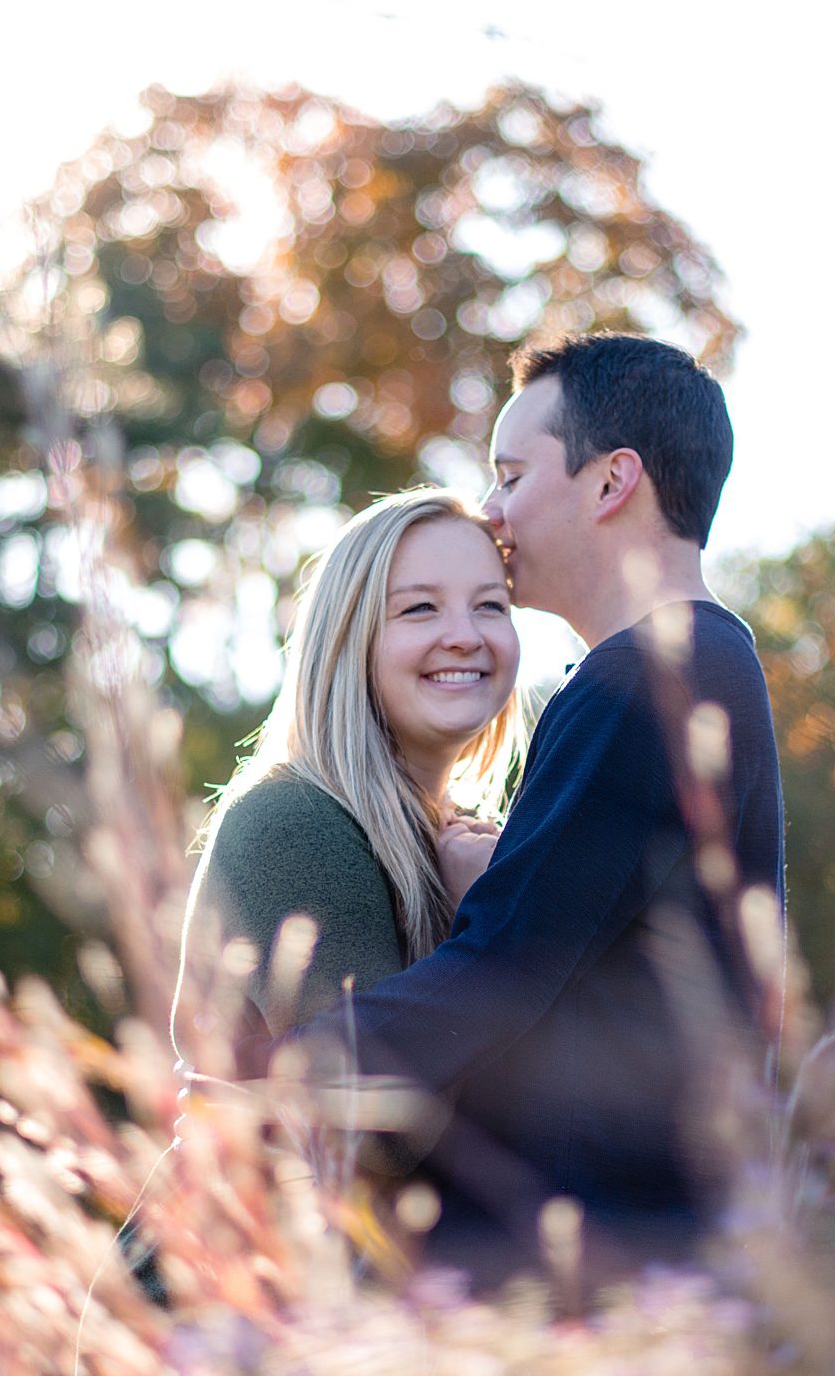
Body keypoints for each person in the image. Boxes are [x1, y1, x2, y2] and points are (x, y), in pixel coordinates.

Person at [275, 332, 786, 1287]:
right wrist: (507, 873)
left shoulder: (642, 679)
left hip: (592, 1253)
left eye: (511, 476)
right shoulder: (703, 664)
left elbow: (506, 971)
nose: (493, 511)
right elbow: (592, 937)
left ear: (611, 482)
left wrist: (280, 1078)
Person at [168, 487, 526, 1085]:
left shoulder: (463, 837)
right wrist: (490, 923)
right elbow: (372, 1113)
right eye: (420, 608)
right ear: (346, 637)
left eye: (490, 605)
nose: (465, 635)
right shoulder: (295, 820)